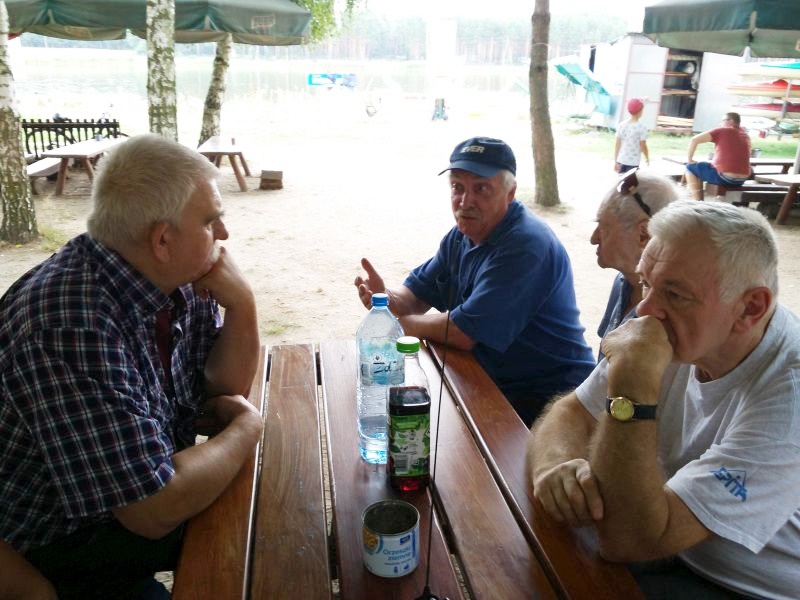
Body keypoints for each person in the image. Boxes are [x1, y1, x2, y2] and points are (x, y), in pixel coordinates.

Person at [0, 134, 264, 600]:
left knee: (266, 521)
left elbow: (222, 388)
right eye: (211, 221)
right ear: (162, 240)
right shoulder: (70, 321)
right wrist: (248, 427)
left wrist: (243, 304)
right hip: (53, 546)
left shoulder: (171, 277)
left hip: (121, 508)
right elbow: (151, 507)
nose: (223, 234)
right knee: (263, 538)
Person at [528, 200, 800, 599]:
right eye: (646, 283)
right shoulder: (668, 323)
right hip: (668, 546)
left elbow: (627, 540)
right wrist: (555, 468)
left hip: (745, 587)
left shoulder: (789, 397)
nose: (646, 308)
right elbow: (570, 411)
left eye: (675, 294)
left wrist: (631, 386)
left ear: (750, 307)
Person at [354, 136, 595, 426]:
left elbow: (462, 333)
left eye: (481, 189)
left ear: (510, 193)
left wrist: (395, 325)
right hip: (494, 383)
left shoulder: (526, 245)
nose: (465, 202)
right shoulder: (461, 235)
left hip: (552, 401)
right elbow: (415, 296)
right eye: (457, 187)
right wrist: (385, 301)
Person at [591, 169, 680, 357]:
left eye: (604, 227)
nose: (593, 238)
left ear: (643, 234)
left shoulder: (671, 312)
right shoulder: (623, 281)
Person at [685, 112, 751, 200]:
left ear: (731, 121)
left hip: (725, 177)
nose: (720, 123)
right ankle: (720, 198)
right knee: (707, 168)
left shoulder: (722, 130)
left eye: (723, 120)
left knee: (690, 167)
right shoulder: (746, 135)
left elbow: (694, 140)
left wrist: (690, 159)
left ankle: (697, 201)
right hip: (741, 180)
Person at [614, 98, 650, 174]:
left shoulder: (622, 125)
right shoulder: (642, 127)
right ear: (640, 111)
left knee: (621, 180)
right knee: (631, 181)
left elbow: (617, 144)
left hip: (621, 161)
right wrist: (647, 157)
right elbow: (643, 145)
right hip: (633, 163)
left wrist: (616, 161)